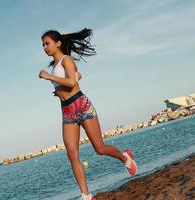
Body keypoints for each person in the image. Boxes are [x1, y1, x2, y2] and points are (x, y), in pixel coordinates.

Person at [39, 28, 137, 200]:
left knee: (99, 148)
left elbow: (72, 81)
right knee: (71, 154)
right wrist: (59, 91)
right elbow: (74, 79)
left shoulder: (66, 59)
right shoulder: (54, 67)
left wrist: (49, 78)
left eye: (47, 43)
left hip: (82, 106)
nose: (45, 47)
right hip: (67, 111)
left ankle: (125, 157)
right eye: (43, 45)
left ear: (58, 43)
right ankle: (86, 195)